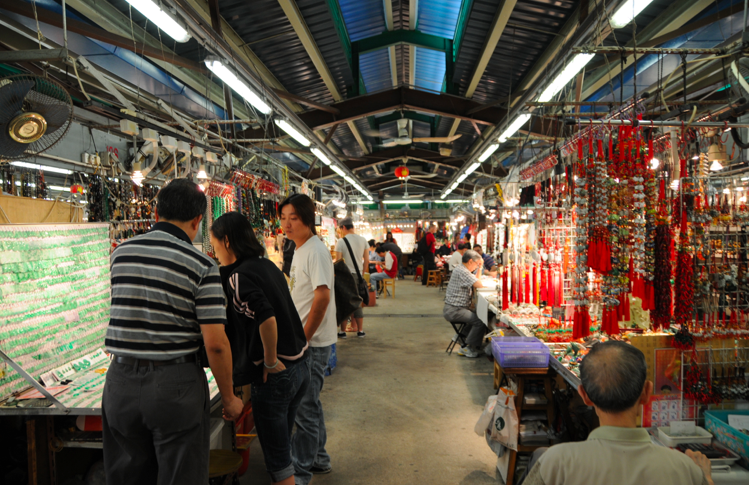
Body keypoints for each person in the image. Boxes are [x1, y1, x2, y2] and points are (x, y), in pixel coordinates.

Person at [103, 179, 243, 485]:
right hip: (175, 386)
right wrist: (229, 397)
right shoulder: (202, 265)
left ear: (156, 213)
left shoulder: (120, 254)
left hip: (119, 382)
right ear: (197, 221)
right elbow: (216, 344)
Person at [519, 341, 714, 485]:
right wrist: (706, 478)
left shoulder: (555, 463)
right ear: (647, 392)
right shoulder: (686, 470)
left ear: (585, 396)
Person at [210, 213, 310, 485]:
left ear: (227, 241)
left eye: (215, 246)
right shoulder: (266, 265)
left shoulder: (238, 277)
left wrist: (269, 360)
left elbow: (267, 318)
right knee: (283, 447)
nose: (215, 253)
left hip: (278, 375)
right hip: (301, 365)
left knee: (278, 462)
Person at [280, 194, 337, 483]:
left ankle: (301, 471)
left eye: (294, 218)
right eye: (283, 218)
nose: (287, 224)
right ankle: (319, 458)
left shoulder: (315, 250)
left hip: (311, 343)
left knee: (304, 408)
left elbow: (322, 297)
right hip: (305, 340)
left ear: (307, 219)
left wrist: (303, 339)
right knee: (310, 403)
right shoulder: (299, 248)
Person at [442, 250, 486, 358]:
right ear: (470, 261)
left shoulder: (462, 269)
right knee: (480, 321)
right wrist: (480, 268)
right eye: (476, 264)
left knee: (478, 314)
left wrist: (479, 268)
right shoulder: (463, 271)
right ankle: (467, 347)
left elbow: (476, 281)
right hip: (454, 310)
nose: (476, 267)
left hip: (455, 308)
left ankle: (460, 337)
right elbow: (479, 284)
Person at [334, 217, 369, 338]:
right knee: (357, 301)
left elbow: (338, 262)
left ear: (343, 227)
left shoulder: (341, 241)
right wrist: (362, 274)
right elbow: (366, 260)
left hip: (345, 277)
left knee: (345, 302)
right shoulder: (363, 240)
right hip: (358, 275)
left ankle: (342, 331)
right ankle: (360, 330)